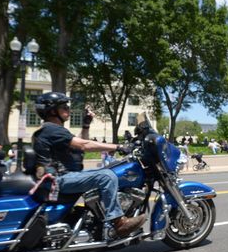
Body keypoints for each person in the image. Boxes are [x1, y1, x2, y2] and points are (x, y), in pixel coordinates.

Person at [32, 92, 145, 238]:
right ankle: (119, 222)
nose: (68, 109)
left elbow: (78, 146)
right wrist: (119, 147)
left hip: (60, 177)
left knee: (105, 171)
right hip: (58, 179)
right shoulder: (51, 129)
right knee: (107, 176)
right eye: (64, 107)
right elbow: (84, 145)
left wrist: (86, 125)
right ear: (52, 111)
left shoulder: (52, 130)